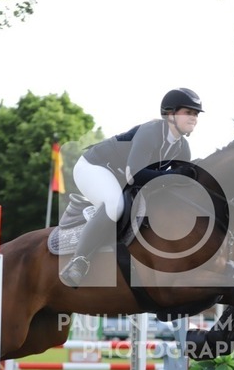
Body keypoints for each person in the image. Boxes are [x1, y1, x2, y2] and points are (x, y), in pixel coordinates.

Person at [59, 87, 204, 287]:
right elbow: (134, 176)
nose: (194, 118)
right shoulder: (151, 132)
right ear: (170, 114)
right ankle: (79, 261)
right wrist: (173, 176)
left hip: (120, 179)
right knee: (115, 205)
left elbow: (178, 183)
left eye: (196, 114)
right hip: (95, 168)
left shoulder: (182, 147)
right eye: (188, 112)